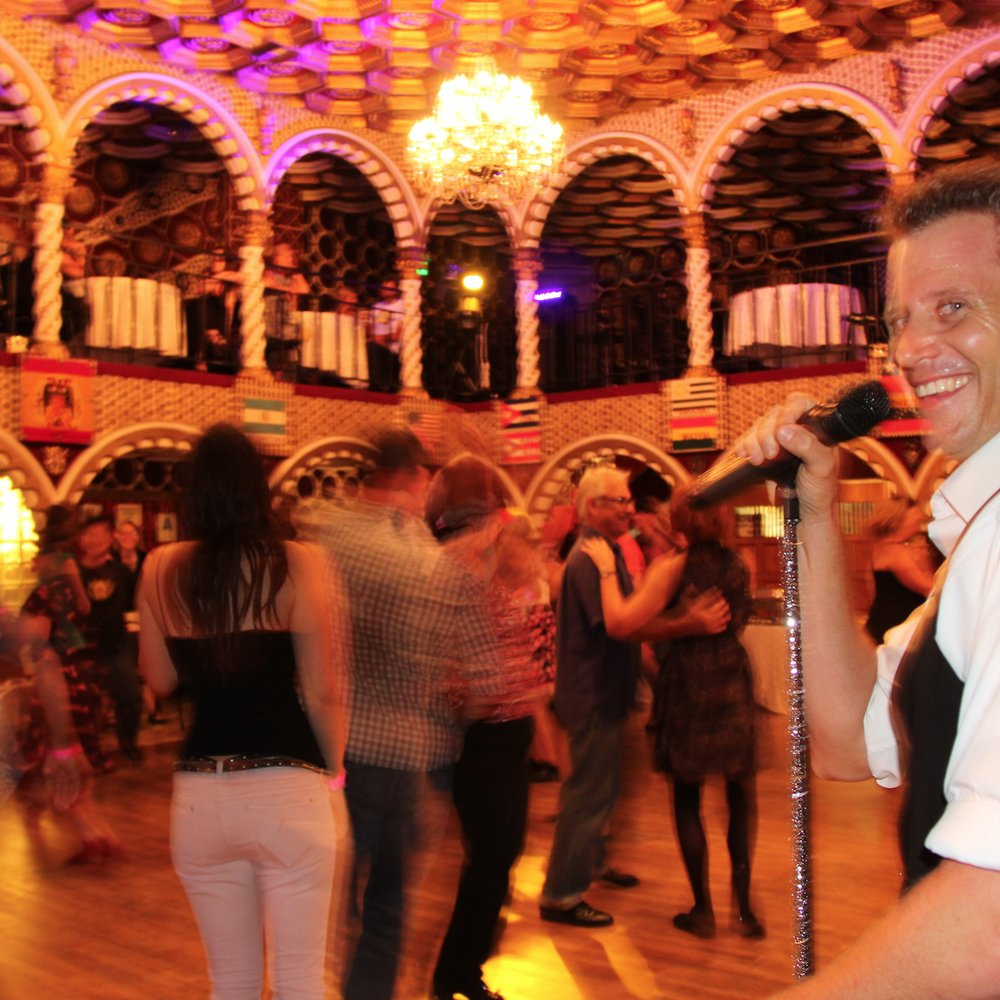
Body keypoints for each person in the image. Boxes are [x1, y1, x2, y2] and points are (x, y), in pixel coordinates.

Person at [733, 158, 1000, 998]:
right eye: (897, 321)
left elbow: (987, 924)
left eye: (953, 307)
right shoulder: (978, 536)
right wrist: (810, 505)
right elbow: (851, 738)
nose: (913, 351)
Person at [137, 423, 346, 1000]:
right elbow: (325, 690)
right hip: (287, 784)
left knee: (229, 982)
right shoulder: (297, 562)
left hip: (201, 794)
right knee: (301, 980)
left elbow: (159, 679)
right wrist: (336, 772)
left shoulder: (159, 568)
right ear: (259, 487)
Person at [301, 427, 467, 1000]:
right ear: (411, 477)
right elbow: (440, 642)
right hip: (393, 746)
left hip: (323, 742)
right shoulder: (408, 553)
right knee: (386, 900)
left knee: (330, 889)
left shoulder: (325, 531)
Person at [539, 464, 730, 927]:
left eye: (629, 500)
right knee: (587, 794)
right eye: (620, 501)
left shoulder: (608, 552)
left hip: (606, 689)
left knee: (606, 788)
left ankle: (592, 863)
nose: (630, 509)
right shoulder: (591, 560)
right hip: (591, 694)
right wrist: (685, 623)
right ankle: (560, 894)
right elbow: (622, 626)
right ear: (592, 507)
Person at [427, 457, 551, 1000]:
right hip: (485, 735)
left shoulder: (486, 557)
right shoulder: (458, 562)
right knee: (494, 857)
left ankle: (461, 972)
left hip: (503, 729)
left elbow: (533, 577)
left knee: (496, 857)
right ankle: (456, 976)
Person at [648, 488, 763, 940]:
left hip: (688, 681)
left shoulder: (676, 568)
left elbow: (643, 620)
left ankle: (703, 909)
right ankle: (746, 910)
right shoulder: (739, 566)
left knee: (687, 798)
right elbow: (741, 619)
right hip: (731, 676)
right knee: (739, 796)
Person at [16, 505, 122, 861]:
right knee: (72, 765)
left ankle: (95, 837)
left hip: (60, 685)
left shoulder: (42, 599)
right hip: (81, 678)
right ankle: (99, 837)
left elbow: (42, 646)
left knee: (59, 767)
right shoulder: (70, 583)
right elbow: (86, 608)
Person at [77, 515, 143, 763]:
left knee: (130, 699)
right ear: (81, 539)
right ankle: (93, 754)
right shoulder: (74, 571)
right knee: (87, 706)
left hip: (117, 646)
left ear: (109, 538)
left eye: (101, 535)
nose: (95, 541)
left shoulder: (120, 572)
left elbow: (134, 603)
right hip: (84, 648)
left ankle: (128, 744)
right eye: (89, 535)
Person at [863, 498, 934, 644]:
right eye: (915, 514)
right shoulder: (895, 552)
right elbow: (929, 588)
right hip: (897, 623)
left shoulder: (880, 546)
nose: (920, 518)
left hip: (885, 620)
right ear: (900, 519)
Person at [263, 242, 309, 377]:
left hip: (286, 322)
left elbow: (304, 289)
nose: (290, 259)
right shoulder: (268, 272)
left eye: (291, 256)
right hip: (272, 321)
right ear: (276, 257)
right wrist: (288, 289)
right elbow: (266, 283)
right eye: (286, 256)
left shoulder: (289, 277)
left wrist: (294, 270)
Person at [367, 277, 402, 393]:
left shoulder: (402, 306)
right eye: (384, 288)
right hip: (376, 344)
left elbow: (398, 334)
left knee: (373, 348)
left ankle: (380, 386)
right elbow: (369, 330)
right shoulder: (376, 307)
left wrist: (379, 339)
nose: (387, 290)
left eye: (390, 288)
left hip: (391, 348)